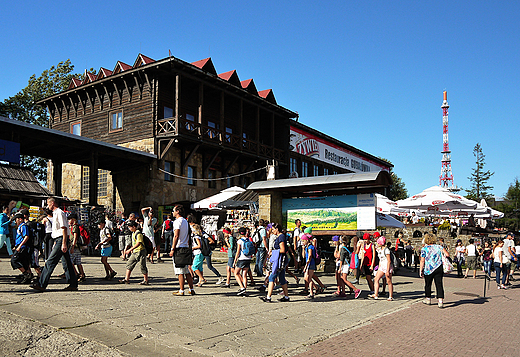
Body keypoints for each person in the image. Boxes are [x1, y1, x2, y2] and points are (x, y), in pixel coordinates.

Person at [31, 197, 78, 292]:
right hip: (59, 239)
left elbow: (64, 228)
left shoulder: (59, 213)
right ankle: (73, 284)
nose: (48, 206)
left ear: (52, 203)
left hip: (61, 239)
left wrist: (64, 243)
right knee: (67, 263)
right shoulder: (55, 213)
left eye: (48, 204)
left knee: (50, 262)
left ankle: (42, 284)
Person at [259, 223, 290, 302]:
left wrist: (273, 252)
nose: (272, 231)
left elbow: (282, 249)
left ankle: (268, 297)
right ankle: (286, 296)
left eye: (273, 229)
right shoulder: (280, 236)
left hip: (279, 260)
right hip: (280, 260)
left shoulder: (281, 237)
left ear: (277, 229)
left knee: (272, 277)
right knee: (282, 278)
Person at [170, 205, 195, 296]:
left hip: (179, 247)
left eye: (173, 211)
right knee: (186, 271)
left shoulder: (177, 222)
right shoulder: (185, 221)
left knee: (180, 271)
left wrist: (173, 248)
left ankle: (181, 290)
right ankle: (191, 288)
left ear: (177, 211)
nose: (172, 212)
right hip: (186, 247)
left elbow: (176, 236)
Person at [420, 233, 449, 308]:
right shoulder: (439, 247)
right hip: (438, 267)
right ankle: (440, 301)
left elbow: (422, 260)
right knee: (439, 284)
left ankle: (428, 299)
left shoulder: (424, 249)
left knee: (428, 284)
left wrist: (420, 270)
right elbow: (447, 254)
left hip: (428, 268)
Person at [119, 220, 149, 285]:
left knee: (142, 266)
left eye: (130, 227)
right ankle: (126, 279)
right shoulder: (133, 233)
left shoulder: (138, 233)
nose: (129, 229)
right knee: (129, 264)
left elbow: (138, 243)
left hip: (141, 251)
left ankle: (146, 280)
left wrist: (130, 250)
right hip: (135, 251)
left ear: (134, 227)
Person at [369, 236, 394, 301]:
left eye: (378, 243)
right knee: (376, 279)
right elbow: (380, 260)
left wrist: (388, 270)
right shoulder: (380, 250)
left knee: (388, 281)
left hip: (387, 266)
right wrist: (379, 268)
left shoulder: (386, 250)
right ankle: (376, 294)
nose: (377, 244)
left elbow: (389, 261)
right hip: (382, 266)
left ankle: (390, 296)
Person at [10, 212, 32, 283]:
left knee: (14, 260)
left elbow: (26, 236)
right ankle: (28, 277)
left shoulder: (23, 226)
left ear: (20, 219)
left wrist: (19, 246)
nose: (15, 221)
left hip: (22, 247)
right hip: (20, 246)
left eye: (16, 219)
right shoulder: (20, 227)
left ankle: (26, 274)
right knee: (24, 262)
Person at [234, 227, 253, 296]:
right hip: (248, 258)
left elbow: (238, 252)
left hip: (242, 258)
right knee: (244, 275)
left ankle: (242, 288)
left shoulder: (239, 241)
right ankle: (244, 289)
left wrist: (235, 260)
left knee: (236, 273)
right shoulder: (248, 240)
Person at [67, 213, 86, 282]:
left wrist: (72, 246)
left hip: (74, 246)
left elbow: (75, 237)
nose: (68, 221)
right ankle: (82, 275)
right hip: (77, 247)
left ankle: (77, 274)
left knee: (70, 261)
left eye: (69, 219)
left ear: (73, 219)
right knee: (78, 262)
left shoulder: (74, 227)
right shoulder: (75, 226)